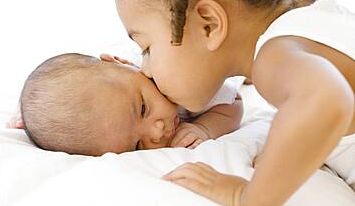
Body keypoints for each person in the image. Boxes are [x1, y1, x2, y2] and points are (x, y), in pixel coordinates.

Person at [112, 0, 355, 206]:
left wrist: (247, 196)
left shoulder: (272, 58)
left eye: (147, 48)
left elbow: (326, 99)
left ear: (209, 24)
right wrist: (288, 154)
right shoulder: (310, 15)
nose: (145, 69)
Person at [17, 53, 242, 156]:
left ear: (121, 61)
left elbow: (235, 101)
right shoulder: (119, 91)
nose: (157, 132)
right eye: (138, 145)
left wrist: (205, 127)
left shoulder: (181, 81)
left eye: (143, 108)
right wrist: (29, 115)